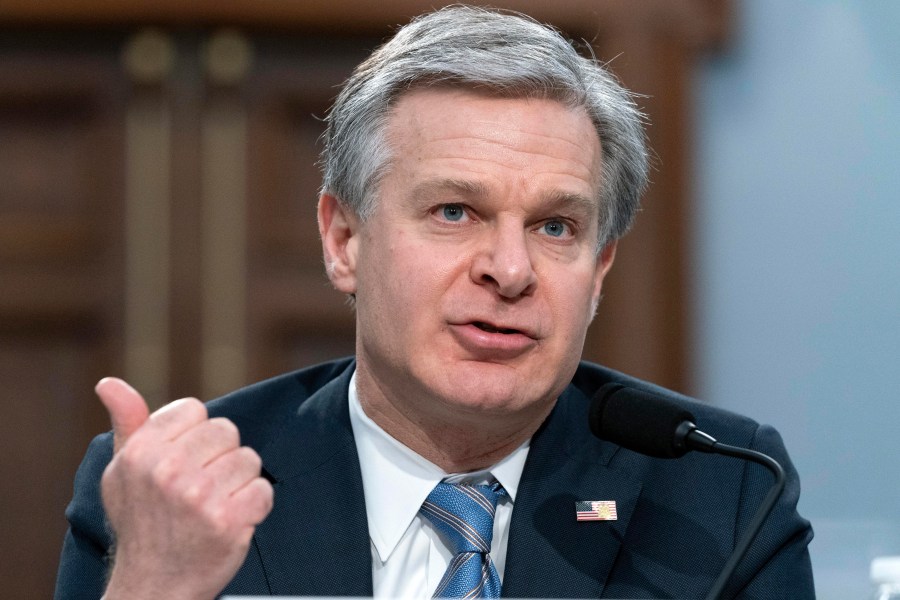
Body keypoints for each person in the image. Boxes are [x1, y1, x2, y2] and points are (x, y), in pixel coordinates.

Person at [55, 5, 815, 599]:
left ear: (600, 268)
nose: (510, 270)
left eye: (556, 227)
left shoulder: (721, 493)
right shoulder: (172, 485)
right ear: (343, 239)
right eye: (455, 212)